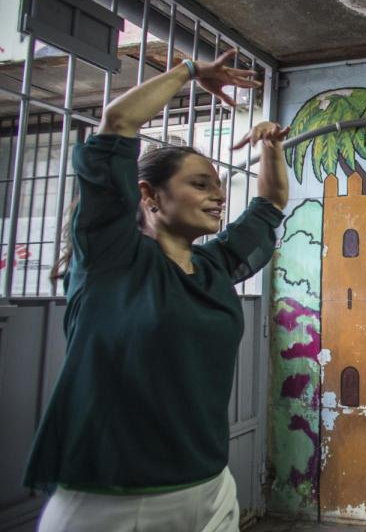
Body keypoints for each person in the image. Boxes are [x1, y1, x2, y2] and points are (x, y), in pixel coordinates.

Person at [24, 50, 289, 532]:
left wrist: (271, 142)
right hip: (113, 497)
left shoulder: (213, 265)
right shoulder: (110, 259)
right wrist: (190, 72)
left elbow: (269, 204)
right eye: (200, 184)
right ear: (148, 195)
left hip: (209, 487)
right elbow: (118, 120)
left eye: (218, 185)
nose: (219, 195)